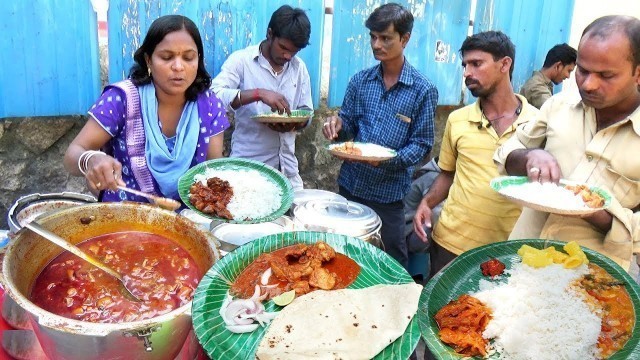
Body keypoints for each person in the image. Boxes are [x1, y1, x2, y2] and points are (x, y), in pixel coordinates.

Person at [494, 15, 640, 272]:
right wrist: (529, 157)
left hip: (589, 280)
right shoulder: (557, 106)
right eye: (582, 70)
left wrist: (598, 214)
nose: (588, 84)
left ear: (638, 73)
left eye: (606, 75)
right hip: (521, 260)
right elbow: (506, 151)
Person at [413, 31, 541, 277]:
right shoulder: (458, 120)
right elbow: (447, 174)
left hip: (509, 249)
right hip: (450, 244)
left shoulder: (538, 124)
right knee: (440, 312)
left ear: (505, 64)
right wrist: (426, 203)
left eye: (476, 64)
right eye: (464, 65)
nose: (466, 73)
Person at [64, 15, 229, 203]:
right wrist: (91, 159)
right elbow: (72, 154)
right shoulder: (122, 99)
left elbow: (213, 171)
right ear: (148, 60)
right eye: (167, 57)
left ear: (198, 60)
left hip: (187, 222)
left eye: (188, 57)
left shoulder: (209, 105)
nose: (178, 66)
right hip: (124, 218)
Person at [322, 3, 438, 270]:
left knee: (390, 262)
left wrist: (385, 161)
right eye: (373, 37)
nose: (376, 45)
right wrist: (336, 125)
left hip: (388, 197)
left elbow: (421, 145)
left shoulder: (422, 89)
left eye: (385, 38)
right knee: (344, 256)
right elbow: (349, 122)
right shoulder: (360, 81)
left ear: (404, 39)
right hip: (351, 187)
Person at [211, 5, 313, 190]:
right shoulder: (241, 61)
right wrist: (258, 94)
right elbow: (214, 97)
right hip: (247, 172)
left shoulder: (299, 68)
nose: (288, 56)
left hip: (288, 173)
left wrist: (296, 123)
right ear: (270, 33)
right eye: (283, 48)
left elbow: (307, 111)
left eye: (294, 51)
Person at [403, 156, 443, 282]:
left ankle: (421, 270)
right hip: (407, 229)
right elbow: (436, 216)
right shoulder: (435, 179)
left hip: (407, 223)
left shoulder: (430, 171)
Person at [519, 43, 577, 108]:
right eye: (569, 71)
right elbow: (552, 112)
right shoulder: (536, 87)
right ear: (558, 66)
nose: (568, 76)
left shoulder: (543, 84)